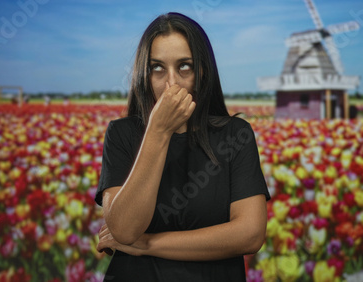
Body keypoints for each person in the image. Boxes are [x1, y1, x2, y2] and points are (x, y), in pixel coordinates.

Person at [94, 12, 270, 281]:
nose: (171, 84)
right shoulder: (122, 134)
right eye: (158, 68)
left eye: (184, 66)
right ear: (145, 74)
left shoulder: (236, 134)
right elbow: (125, 230)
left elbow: (250, 235)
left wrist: (149, 244)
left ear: (203, 71)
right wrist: (158, 131)